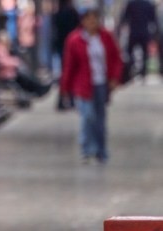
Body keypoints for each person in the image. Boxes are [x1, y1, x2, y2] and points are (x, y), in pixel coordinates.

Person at [59, 8, 123, 165]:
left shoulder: (106, 37)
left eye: (95, 19)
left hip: (101, 83)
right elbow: (69, 65)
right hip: (82, 84)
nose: (92, 23)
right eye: (89, 19)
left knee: (100, 118)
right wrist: (65, 88)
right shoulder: (74, 40)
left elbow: (116, 58)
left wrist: (114, 78)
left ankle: (101, 150)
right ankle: (86, 149)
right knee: (87, 116)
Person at [120, 0, 160, 81]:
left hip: (134, 31)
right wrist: (156, 33)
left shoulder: (131, 3)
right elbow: (154, 20)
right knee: (144, 53)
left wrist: (120, 28)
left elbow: (124, 18)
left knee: (130, 52)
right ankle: (143, 72)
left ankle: (131, 69)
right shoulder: (148, 4)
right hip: (144, 32)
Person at [50, 0, 80, 79]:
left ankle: (66, 78)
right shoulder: (73, 13)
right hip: (70, 42)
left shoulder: (58, 14)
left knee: (65, 63)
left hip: (61, 42)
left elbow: (55, 28)